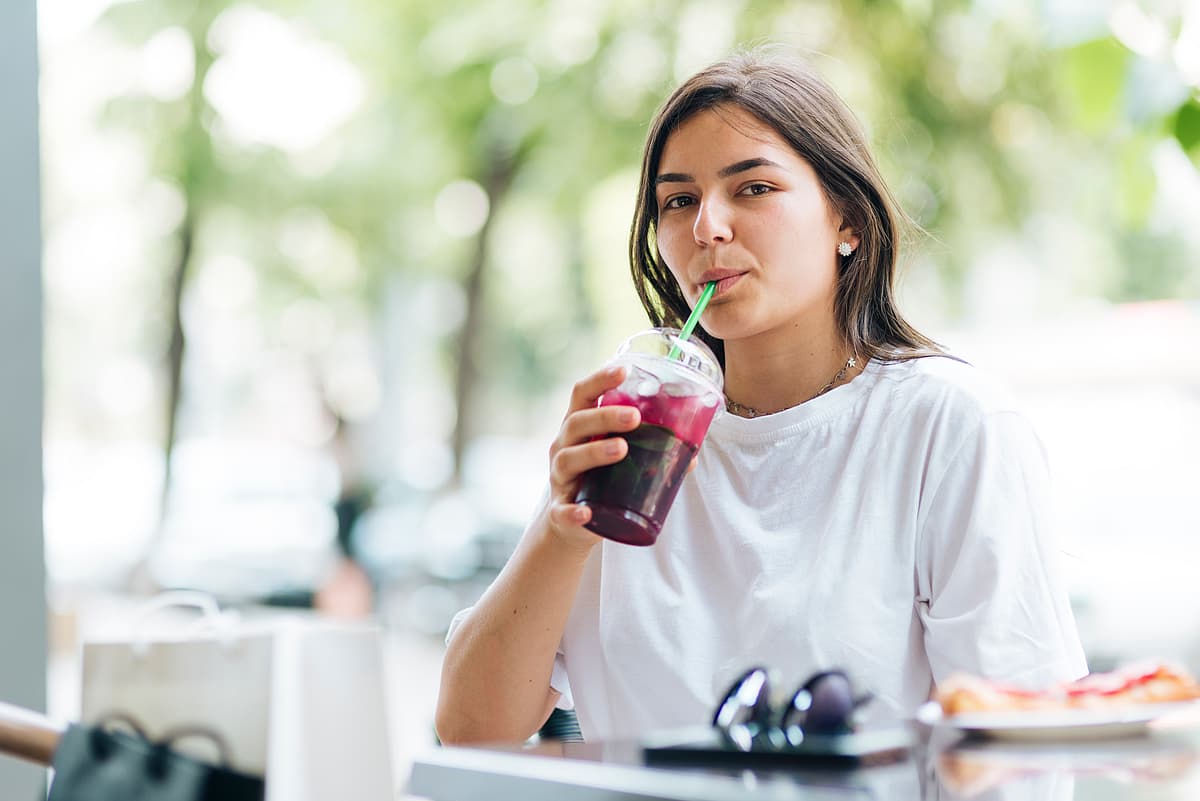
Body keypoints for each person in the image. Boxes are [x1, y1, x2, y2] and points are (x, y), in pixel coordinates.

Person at [435, 47, 1086, 745]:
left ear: (848, 221)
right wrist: (562, 530)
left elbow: (1020, 748)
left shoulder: (949, 426)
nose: (707, 227)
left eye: (753, 189)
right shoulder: (632, 433)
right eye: (678, 201)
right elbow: (473, 730)